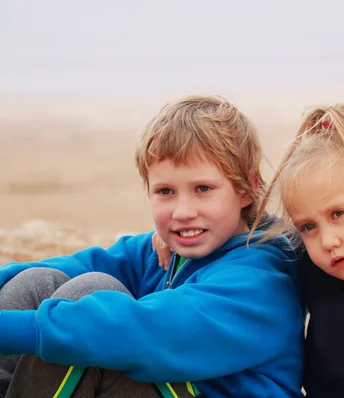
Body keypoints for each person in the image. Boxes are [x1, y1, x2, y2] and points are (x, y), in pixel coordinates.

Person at [0, 96, 305, 398]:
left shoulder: (261, 282)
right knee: (36, 282)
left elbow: (139, 329)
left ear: (248, 189)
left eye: (203, 189)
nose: (182, 211)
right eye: (165, 191)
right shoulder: (172, 249)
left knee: (90, 304)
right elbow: (88, 263)